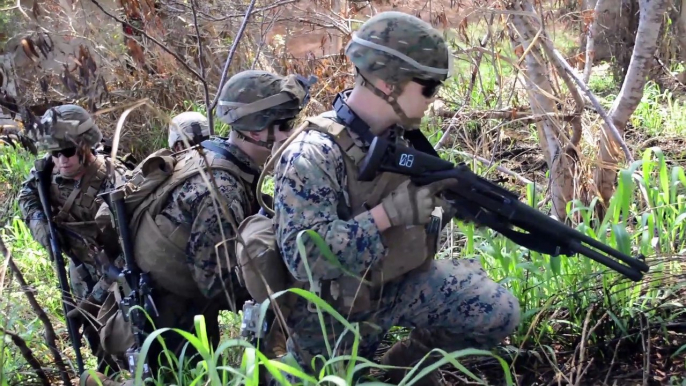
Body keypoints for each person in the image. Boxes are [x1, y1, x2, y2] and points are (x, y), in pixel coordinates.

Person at [270, 11, 521, 385]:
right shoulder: (312, 155)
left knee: (498, 311)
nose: (434, 99)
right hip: (331, 312)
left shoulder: (397, 138)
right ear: (389, 84)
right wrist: (388, 215)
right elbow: (305, 258)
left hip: (394, 284)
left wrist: (444, 208)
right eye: (429, 88)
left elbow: (418, 216)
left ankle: (399, 372)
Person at [80, 70, 315, 386]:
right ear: (258, 130)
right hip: (168, 318)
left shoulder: (215, 156)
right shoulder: (220, 188)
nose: (292, 133)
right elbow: (216, 285)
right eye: (285, 126)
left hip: (174, 305)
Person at [18, 104, 129, 372]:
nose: (61, 161)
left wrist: (98, 294)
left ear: (85, 147)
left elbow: (131, 245)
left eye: (68, 152)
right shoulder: (48, 172)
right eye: (55, 153)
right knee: (95, 342)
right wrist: (41, 227)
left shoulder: (112, 180)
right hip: (79, 270)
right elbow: (26, 196)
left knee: (122, 341)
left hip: (115, 277)